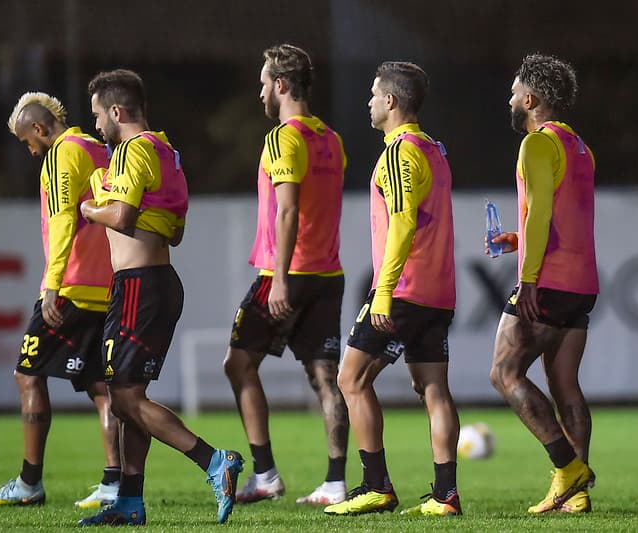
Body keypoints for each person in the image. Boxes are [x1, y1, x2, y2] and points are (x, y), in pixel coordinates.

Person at [77, 69, 243, 526]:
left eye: (97, 116)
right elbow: (176, 228)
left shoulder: (133, 149)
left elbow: (123, 216)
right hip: (158, 281)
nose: (96, 126)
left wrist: (91, 205)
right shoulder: (166, 151)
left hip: (139, 286)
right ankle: (130, 502)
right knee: (130, 394)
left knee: (125, 398)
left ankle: (214, 461)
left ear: (116, 111)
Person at [324, 62, 462, 517]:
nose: (367, 102)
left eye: (372, 94)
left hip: (403, 289)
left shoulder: (401, 153)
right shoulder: (434, 149)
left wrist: (382, 292)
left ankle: (375, 486)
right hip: (439, 291)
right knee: (433, 388)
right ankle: (445, 495)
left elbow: (403, 225)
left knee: (350, 378)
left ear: (390, 101)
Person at [0, 92, 121, 508]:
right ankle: (113, 482)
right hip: (108, 285)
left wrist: (52, 285)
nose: (30, 150)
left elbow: (62, 221)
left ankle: (29, 482)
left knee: (27, 374)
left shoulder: (61, 155)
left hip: (72, 286)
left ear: (39, 129)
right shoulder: (101, 149)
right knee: (101, 386)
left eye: (27, 142)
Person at [222, 44, 349, 506]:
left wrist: (277, 278)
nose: (259, 93)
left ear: (280, 85)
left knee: (237, 364)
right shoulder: (331, 139)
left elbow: (289, 210)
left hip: (288, 272)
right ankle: (335, 483)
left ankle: (266, 474)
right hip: (326, 272)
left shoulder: (282, 137)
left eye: (262, 83)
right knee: (325, 379)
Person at [488, 53, 598, 514]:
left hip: (547, 281)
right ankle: (576, 493)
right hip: (583, 281)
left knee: (504, 373)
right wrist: (517, 238)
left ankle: (566, 466)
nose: (509, 99)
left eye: (514, 92)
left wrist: (528, 278)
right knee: (565, 384)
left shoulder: (536, 143)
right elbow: (563, 217)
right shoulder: (579, 146)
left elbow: (543, 216)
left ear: (530, 99)